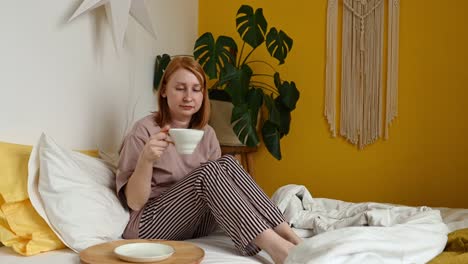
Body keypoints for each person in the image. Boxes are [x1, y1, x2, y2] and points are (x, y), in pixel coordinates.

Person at [116, 56, 302, 264]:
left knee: (228, 163)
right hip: (150, 225)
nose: (189, 97)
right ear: (164, 90)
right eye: (180, 88)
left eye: (196, 89)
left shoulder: (207, 133)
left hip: (194, 224)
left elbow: (219, 195)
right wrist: (146, 160)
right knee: (209, 171)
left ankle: (291, 238)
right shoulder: (144, 131)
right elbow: (133, 202)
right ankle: (277, 249)